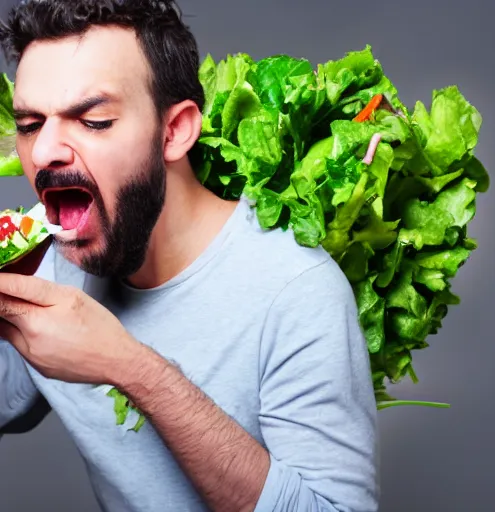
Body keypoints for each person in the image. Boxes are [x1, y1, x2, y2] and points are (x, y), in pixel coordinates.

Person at [0, 1, 379, 511]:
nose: (45, 152)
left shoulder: (297, 290)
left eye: (93, 120)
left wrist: (127, 364)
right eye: (29, 124)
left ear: (175, 130)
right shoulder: (55, 264)